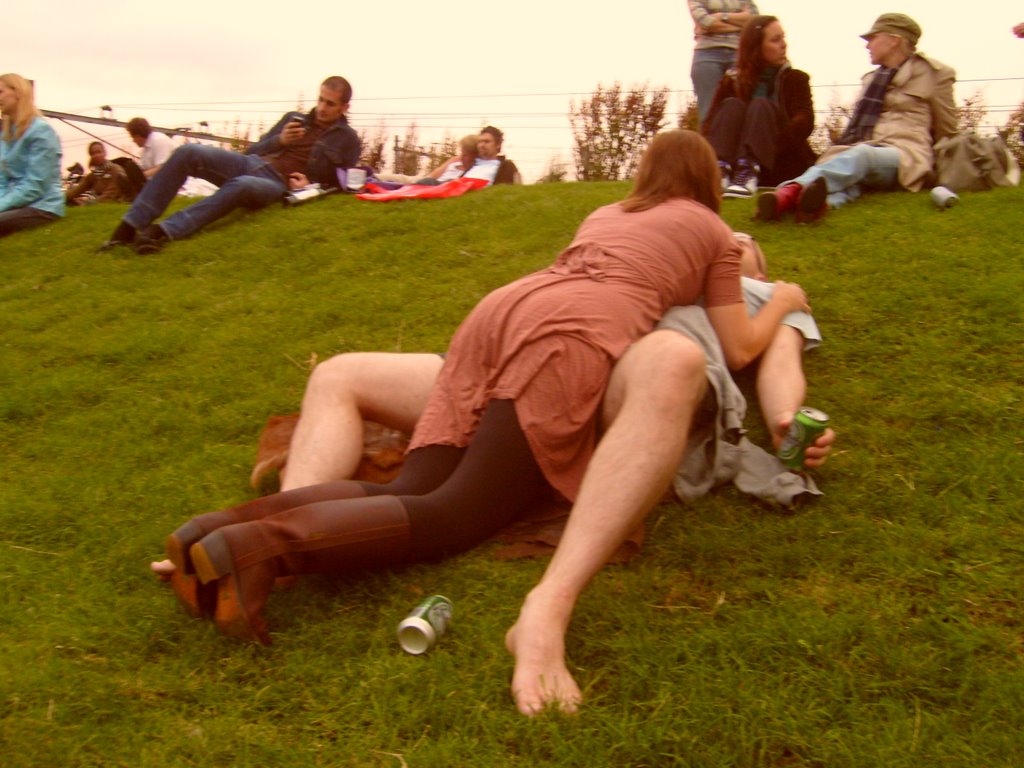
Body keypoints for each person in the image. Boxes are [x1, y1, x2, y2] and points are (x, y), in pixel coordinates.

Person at [157, 130, 809, 715]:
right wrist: (781, 295)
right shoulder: (712, 233)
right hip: (573, 333)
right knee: (457, 512)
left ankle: (215, 532)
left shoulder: (609, 212)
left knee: (409, 490)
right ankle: (261, 552)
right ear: (705, 182)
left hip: (503, 315)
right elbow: (742, 346)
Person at [102, 76, 360, 254]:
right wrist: (279, 140)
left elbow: (344, 182)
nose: (322, 108)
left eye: (330, 103)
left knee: (242, 185)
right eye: (320, 99)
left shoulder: (347, 139)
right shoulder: (293, 118)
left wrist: (310, 186)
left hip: (276, 183)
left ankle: (161, 232)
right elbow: (252, 150)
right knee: (188, 151)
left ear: (344, 107)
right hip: (251, 162)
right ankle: (127, 228)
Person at [756, 13, 957, 222]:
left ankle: (788, 192)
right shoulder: (870, 80)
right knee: (851, 179)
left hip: (907, 154)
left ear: (894, 40)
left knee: (862, 156)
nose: (867, 45)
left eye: (872, 38)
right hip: (865, 149)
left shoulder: (935, 73)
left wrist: (938, 172)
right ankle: (813, 207)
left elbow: (947, 129)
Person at [703, 15, 816, 198]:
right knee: (732, 105)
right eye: (775, 40)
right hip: (734, 160)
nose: (784, 44)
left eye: (783, 37)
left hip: (780, 161)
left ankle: (749, 171)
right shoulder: (731, 82)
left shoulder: (796, 79)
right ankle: (720, 172)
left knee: (761, 106)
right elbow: (709, 125)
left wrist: (768, 143)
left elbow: (805, 122)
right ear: (757, 47)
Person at [0, 73, 64, 238]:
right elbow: (2, 179)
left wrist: (2, 205)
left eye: (1, 92)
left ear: (18, 93)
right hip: (13, 204)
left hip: (42, 206)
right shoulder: (6, 135)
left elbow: (35, 185)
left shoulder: (41, 131)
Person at [688, 1, 760, 127]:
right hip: (707, 55)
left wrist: (721, 16)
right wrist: (741, 24)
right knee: (709, 115)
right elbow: (705, 22)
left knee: (744, 111)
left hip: (739, 53)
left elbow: (755, 21)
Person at [377, 134, 479, 185]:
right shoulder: (455, 160)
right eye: (462, 153)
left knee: (395, 182)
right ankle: (369, 177)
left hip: (434, 185)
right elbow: (432, 175)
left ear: (473, 155)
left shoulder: (471, 172)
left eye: (465, 154)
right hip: (425, 180)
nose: (462, 157)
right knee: (398, 178)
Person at [65, 141, 132, 205]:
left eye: (99, 152)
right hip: (99, 205)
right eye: (93, 153)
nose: (96, 155)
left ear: (105, 153)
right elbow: (76, 190)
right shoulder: (93, 175)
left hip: (118, 205)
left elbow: (110, 195)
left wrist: (89, 203)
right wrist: (61, 198)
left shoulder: (116, 170)